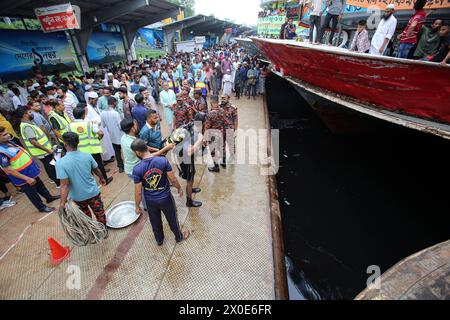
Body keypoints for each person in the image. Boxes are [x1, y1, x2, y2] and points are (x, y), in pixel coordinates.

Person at [131, 139, 190, 246]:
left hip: (150, 201)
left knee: (155, 221)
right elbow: (173, 179)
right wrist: (179, 188)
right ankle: (178, 237)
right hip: (166, 198)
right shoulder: (162, 161)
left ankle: (159, 240)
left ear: (138, 153)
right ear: (146, 147)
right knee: (172, 218)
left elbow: (138, 192)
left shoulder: (137, 169)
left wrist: (137, 206)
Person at [0, 126, 59, 213]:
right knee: (32, 193)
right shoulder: (1, 152)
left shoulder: (9, 143)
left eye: (7, 133)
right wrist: (26, 178)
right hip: (23, 177)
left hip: (30, 172)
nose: (8, 135)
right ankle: (41, 207)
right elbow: (8, 169)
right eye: (5, 134)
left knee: (40, 186)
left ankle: (49, 198)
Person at [57, 132, 107, 225]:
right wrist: (102, 178)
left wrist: (62, 204)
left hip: (78, 198)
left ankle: (93, 232)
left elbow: (64, 185)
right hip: (93, 193)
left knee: (86, 218)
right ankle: (103, 230)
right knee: (100, 214)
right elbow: (96, 169)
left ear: (65, 144)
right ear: (78, 142)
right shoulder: (87, 155)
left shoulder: (60, 163)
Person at [69, 106, 113, 185]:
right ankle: (104, 180)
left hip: (80, 151)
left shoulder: (70, 126)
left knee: (87, 168)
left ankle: (92, 184)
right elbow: (101, 133)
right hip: (93, 149)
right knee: (99, 165)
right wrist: (98, 139)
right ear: (83, 115)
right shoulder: (89, 124)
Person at [18, 106, 60, 188]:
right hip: (42, 151)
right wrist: (47, 150)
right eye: (29, 112)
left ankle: (56, 180)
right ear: (25, 115)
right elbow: (33, 141)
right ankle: (57, 182)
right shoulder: (27, 126)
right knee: (50, 166)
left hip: (43, 150)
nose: (31, 114)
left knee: (51, 165)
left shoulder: (28, 123)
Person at [173, 116, 204, 208]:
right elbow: (189, 152)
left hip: (183, 156)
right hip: (186, 159)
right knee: (189, 180)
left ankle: (191, 189)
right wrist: (199, 141)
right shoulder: (192, 134)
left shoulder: (189, 125)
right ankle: (189, 201)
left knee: (192, 174)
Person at [100, 96, 124, 173]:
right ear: (114, 103)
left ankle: (120, 167)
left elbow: (103, 125)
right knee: (125, 150)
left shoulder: (102, 113)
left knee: (117, 152)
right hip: (120, 135)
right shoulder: (115, 113)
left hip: (112, 136)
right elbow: (120, 126)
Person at [204, 95, 227, 173]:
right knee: (222, 148)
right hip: (221, 132)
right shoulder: (222, 111)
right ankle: (223, 163)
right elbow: (225, 122)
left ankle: (216, 167)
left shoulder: (210, 114)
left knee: (213, 150)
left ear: (211, 103)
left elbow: (207, 127)